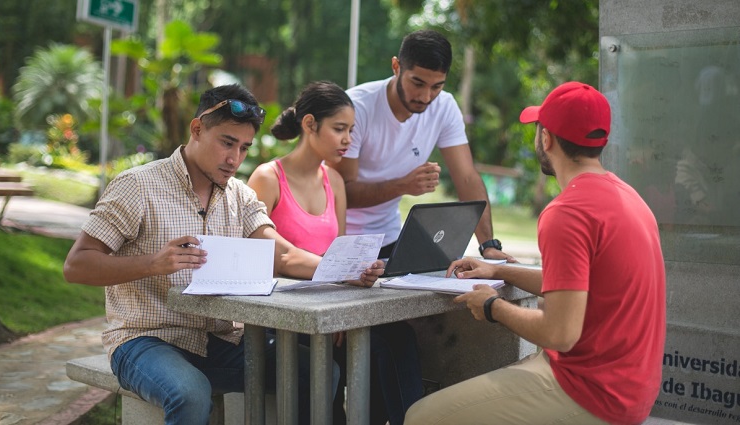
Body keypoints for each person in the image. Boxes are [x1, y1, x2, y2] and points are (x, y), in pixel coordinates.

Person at [63, 84, 382, 425]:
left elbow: (284, 255)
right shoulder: (137, 185)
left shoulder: (240, 196)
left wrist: (345, 270)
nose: (234, 159)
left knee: (319, 371)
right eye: (227, 143)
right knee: (190, 393)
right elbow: (76, 265)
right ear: (197, 129)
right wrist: (153, 263)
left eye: (244, 148)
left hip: (221, 340)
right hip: (145, 340)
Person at [404, 82, 667, 425]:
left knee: (421, 416)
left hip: (592, 394)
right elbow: (581, 286)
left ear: (546, 139)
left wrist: (491, 306)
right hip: (632, 387)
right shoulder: (628, 197)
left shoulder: (567, 213)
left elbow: (560, 332)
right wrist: (499, 271)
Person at [247, 80, 420, 425]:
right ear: (309, 124)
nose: (348, 140)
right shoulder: (267, 178)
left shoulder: (335, 182)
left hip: (329, 307)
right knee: (327, 366)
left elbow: (338, 252)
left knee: (396, 337)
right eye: (339, 129)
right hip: (282, 315)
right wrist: (343, 272)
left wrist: (351, 281)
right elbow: (273, 256)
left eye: (351, 130)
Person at [329, 29, 515, 263]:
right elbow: (340, 194)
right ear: (396, 67)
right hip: (338, 241)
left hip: (388, 239)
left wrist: (488, 245)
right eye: (417, 83)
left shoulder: (445, 107)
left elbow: (467, 178)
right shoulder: (356, 107)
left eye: (436, 86)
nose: (426, 97)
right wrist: (403, 185)